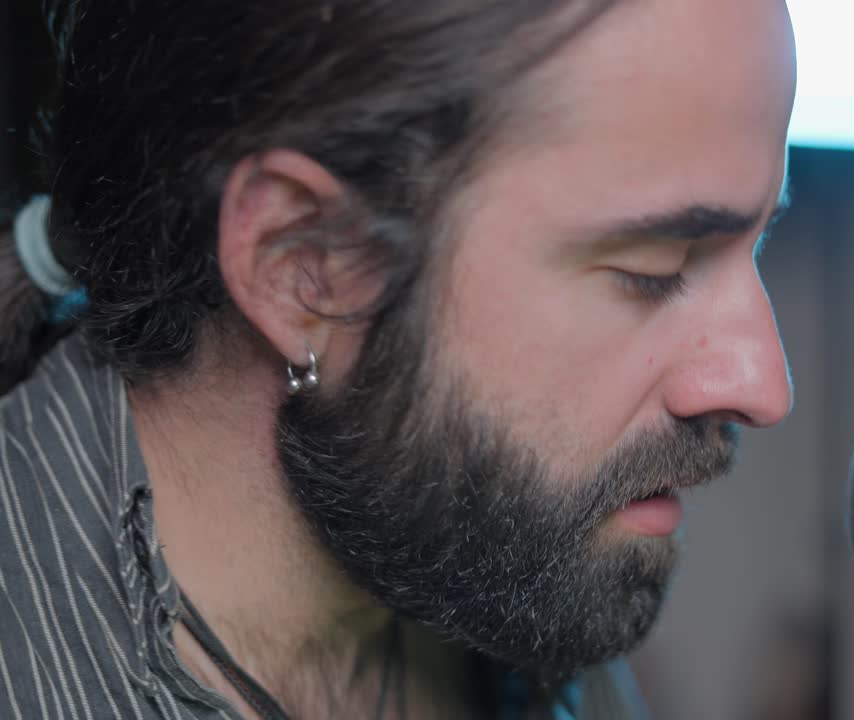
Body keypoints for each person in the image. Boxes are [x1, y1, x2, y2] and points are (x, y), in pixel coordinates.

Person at [0, 0, 797, 717]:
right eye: (653, 269)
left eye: (759, 243)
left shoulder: (490, 562)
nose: (765, 385)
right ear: (304, 266)